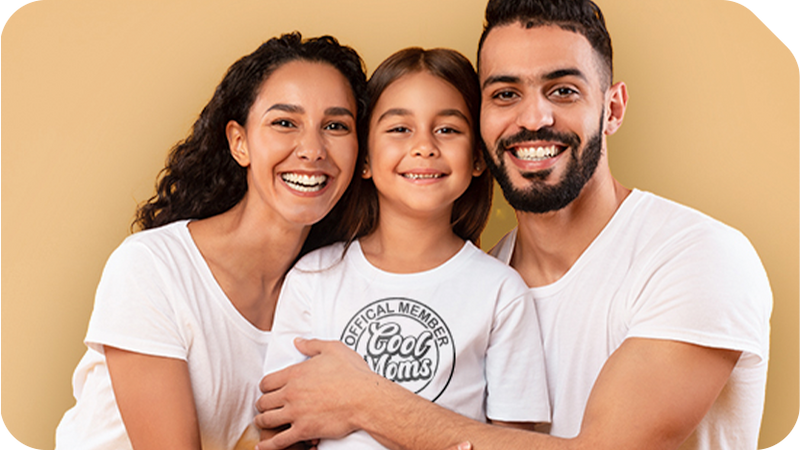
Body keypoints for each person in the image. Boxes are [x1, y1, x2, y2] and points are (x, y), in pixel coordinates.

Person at [251, 1, 773, 450]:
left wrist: (365, 399)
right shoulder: (488, 270)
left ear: (612, 108)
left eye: (563, 90)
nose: (532, 118)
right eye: (505, 94)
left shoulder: (697, 256)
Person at [54, 32, 368, 450]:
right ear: (240, 143)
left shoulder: (331, 291)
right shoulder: (151, 268)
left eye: (335, 125)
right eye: (284, 123)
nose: (312, 149)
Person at [259, 47, 550, 449]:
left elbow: (512, 444)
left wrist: (370, 404)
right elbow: (278, 424)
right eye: (399, 129)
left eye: (447, 130)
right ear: (364, 158)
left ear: (478, 158)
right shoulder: (313, 278)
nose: (424, 146)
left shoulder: (501, 292)